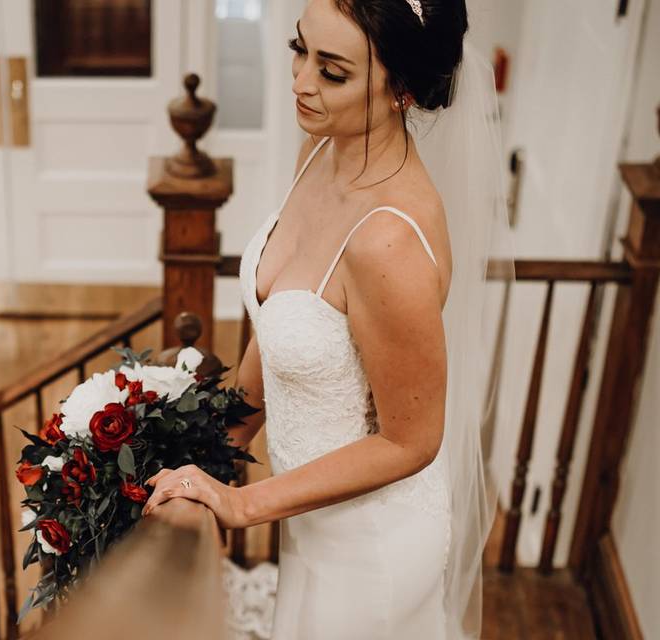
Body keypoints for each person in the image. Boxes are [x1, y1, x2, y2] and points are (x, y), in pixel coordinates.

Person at [142, 0, 513, 637]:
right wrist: (213, 445)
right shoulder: (320, 151)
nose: (300, 81)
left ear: (400, 88)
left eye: (332, 71)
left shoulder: (386, 241)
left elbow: (411, 441)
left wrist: (240, 502)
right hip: (311, 519)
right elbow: (278, 322)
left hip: (368, 547)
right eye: (299, 49)